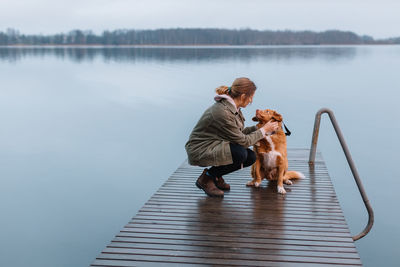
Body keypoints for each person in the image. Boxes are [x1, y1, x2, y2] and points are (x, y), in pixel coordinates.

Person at [185, 77, 279, 197]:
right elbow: (243, 141)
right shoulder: (223, 112)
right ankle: (207, 178)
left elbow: (238, 133)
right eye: (251, 97)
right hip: (200, 149)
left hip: (215, 144)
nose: (251, 101)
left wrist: (259, 128)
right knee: (240, 154)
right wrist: (264, 130)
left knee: (250, 157)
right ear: (243, 96)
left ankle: (216, 176)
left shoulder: (234, 108)